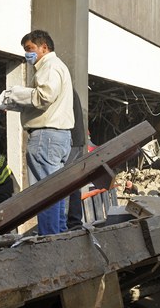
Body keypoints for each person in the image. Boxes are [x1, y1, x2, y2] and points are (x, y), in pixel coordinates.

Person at [0, 30, 74, 235]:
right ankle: (58, 237)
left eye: (30, 49)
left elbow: (44, 96)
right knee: (56, 191)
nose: (27, 54)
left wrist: (18, 94)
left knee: (44, 193)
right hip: (57, 136)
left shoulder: (49, 66)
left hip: (45, 137)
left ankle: (49, 239)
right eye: (25, 50)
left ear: (44, 47)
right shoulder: (57, 67)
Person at [66, 90, 86, 230]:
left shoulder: (65, 90)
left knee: (65, 183)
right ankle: (74, 222)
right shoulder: (70, 90)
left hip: (71, 141)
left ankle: (71, 222)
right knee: (73, 184)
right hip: (76, 141)